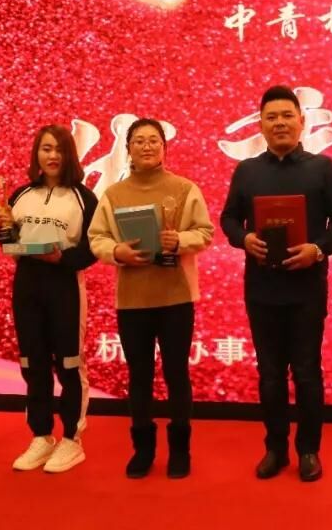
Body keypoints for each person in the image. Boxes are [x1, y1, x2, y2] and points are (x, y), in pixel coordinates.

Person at [220, 85, 332, 482]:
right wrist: (244, 239)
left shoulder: (322, 168)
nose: (279, 123)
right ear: (261, 124)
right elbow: (228, 219)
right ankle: (275, 449)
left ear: (301, 121)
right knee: (270, 374)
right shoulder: (247, 171)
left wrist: (319, 248)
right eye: (271, 117)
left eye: (286, 116)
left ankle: (308, 450)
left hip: (307, 287)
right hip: (261, 288)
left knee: (308, 372)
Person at [88, 118, 214, 479]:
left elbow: (205, 232)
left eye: (154, 140)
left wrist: (181, 241)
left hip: (176, 297)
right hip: (133, 300)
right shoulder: (114, 194)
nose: (147, 146)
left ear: (164, 147)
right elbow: (97, 238)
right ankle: (143, 449)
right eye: (139, 140)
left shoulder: (185, 188)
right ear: (128, 148)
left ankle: (180, 450)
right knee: (139, 376)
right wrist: (117, 252)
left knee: (177, 374)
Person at [0, 125, 98, 473]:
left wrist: (61, 258)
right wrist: (5, 233)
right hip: (27, 285)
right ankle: (41, 435)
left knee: (69, 364)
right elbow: (7, 240)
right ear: (36, 154)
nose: (52, 155)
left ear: (69, 154)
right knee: (32, 362)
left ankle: (72, 438)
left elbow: (93, 248)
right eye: (45, 149)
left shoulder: (84, 198)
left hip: (64, 286)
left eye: (59, 149)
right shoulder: (20, 194)